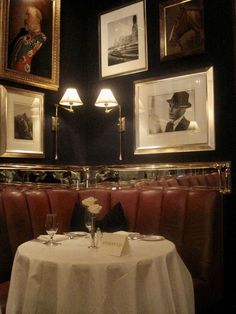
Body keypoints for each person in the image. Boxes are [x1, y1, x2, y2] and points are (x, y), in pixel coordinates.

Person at [8, 6, 49, 76]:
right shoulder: (20, 39)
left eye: (28, 15)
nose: (25, 18)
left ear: (38, 19)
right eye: (25, 15)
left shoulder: (44, 40)